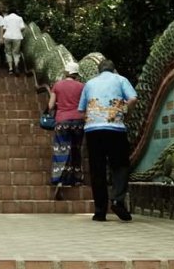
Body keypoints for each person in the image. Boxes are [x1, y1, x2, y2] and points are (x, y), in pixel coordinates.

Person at [78, 59, 138, 222]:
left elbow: (81, 110)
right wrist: (125, 113)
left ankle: (100, 211)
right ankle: (118, 200)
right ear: (114, 69)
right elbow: (133, 99)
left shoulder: (89, 83)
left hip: (93, 131)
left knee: (97, 169)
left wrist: (93, 120)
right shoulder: (121, 80)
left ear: (99, 70)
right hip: (115, 129)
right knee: (120, 165)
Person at [48, 63, 86, 197]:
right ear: (76, 74)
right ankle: (76, 178)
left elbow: (50, 105)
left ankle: (59, 179)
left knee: (61, 149)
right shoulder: (82, 86)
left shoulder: (58, 85)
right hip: (78, 121)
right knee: (76, 149)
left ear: (66, 72)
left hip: (62, 121)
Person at [0, 7, 26, 75]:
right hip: (17, 37)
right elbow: (23, 28)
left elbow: (4, 28)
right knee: (16, 52)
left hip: (7, 36)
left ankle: (10, 68)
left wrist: (2, 37)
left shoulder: (6, 18)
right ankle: (16, 65)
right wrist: (18, 31)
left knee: (8, 52)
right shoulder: (19, 18)